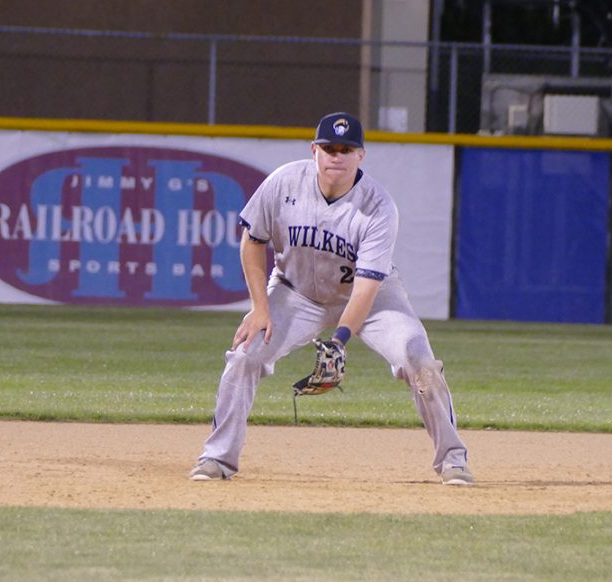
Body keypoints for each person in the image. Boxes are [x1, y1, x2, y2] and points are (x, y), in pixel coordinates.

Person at [190, 112, 473, 486]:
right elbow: (253, 241)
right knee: (245, 354)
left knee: (419, 360)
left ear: (361, 156)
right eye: (329, 148)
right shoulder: (283, 183)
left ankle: (453, 459)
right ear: (314, 151)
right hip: (296, 292)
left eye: (346, 149)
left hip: (371, 299)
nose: (336, 156)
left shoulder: (378, 206)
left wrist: (340, 341)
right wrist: (260, 308)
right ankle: (216, 458)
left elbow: (367, 286)